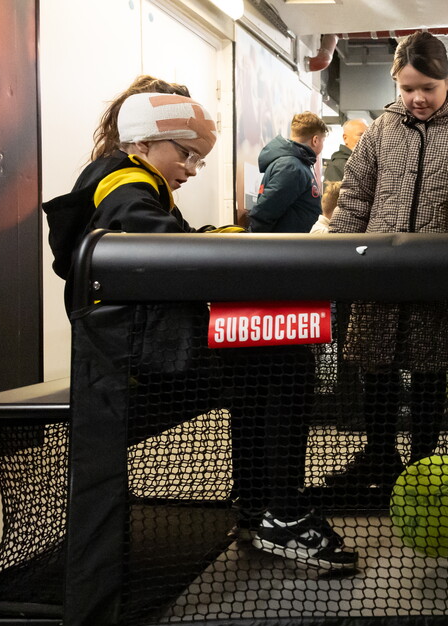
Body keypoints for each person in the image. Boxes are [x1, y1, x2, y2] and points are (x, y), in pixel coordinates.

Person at [43, 92, 357, 570]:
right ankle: (278, 512)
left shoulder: (129, 184)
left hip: (143, 348)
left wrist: (226, 239)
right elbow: (174, 252)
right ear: (145, 144)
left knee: (270, 356)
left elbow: (178, 243)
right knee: (284, 361)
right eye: (185, 154)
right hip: (139, 361)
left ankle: (262, 508)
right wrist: (232, 242)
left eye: (198, 159)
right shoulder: (126, 189)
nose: (190, 168)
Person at [324, 31, 448, 487]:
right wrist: (336, 256)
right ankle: (379, 455)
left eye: (427, 88)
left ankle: (424, 466)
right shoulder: (380, 131)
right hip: (378, 279)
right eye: (406, 88)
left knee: (431, 376)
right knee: (378, 371)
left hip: (443, 284)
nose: (416, 98)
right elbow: (355, 198)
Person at [248, 112, 329, 233]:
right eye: (323, 141)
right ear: (315, 140)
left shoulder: (296, 165)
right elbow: (266, 211)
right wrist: (254, 243)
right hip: (286, 248)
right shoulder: (292, 167)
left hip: (290, 246)